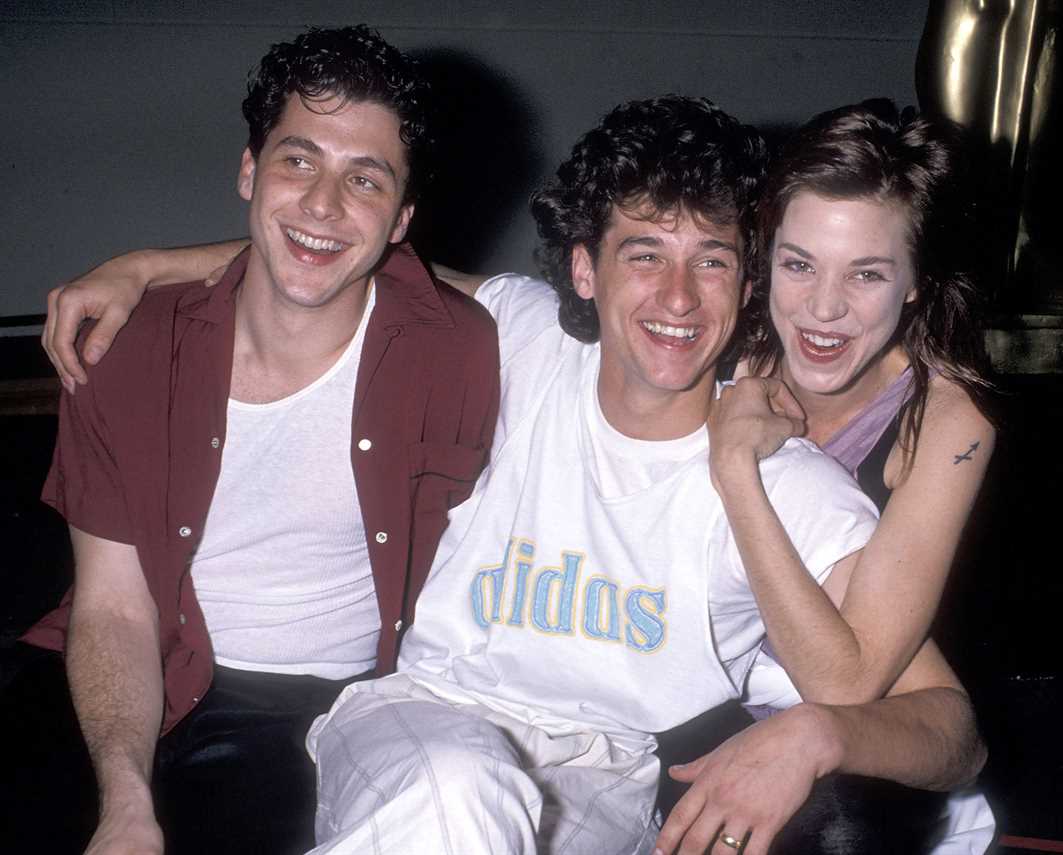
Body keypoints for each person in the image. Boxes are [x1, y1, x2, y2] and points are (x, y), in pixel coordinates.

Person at [39, 95, 988, 854]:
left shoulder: (787, 480)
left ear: (745, 288)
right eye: (643, 254)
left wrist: (816, 735)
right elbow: (345, 257)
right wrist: (147, 266)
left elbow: (952, 731)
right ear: (583, 270)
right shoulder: (528, 341)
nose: (675, 296)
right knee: (460, 789)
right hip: (421, 723)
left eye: (711, 261)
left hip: (603, 783)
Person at [3, 25, 499, 855]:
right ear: (249, 170)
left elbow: (623, 328)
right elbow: (115, 605)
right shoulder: (125, 346)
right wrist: (125, 802)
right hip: (125, 653)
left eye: (364, 179)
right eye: (298, 161)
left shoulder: (464, 352)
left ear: (402, 219)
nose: (323, 203)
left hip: (308, 710)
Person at [654, 99, 998, 854]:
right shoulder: (721, 340)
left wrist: (736, 470)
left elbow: (845, 683)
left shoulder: (947, 420)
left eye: (866, 274)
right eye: (798, 264)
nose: (823, 309)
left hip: (862, 740)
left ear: (916, 281)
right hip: (689, 694)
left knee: (834, 825)